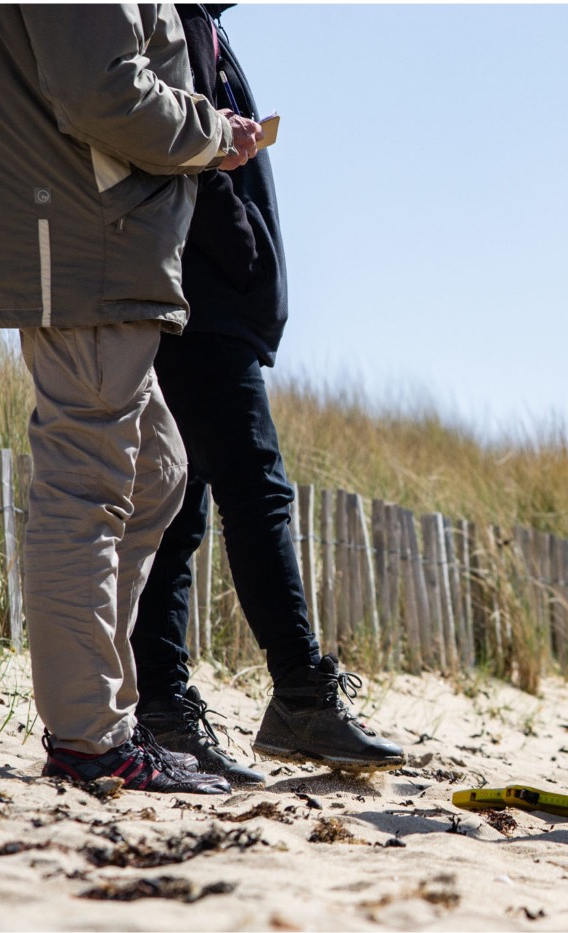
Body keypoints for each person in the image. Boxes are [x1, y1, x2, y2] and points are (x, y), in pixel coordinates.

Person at [0, 4, 261, 794]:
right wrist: (213, 135)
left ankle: (103, 716)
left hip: (89, 234)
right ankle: (90, 736)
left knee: (154, 471)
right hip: (79, 233)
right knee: (91, 479)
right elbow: (100, 91)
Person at [129, 4, 406, 786]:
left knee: (184, 506)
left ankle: (166, 707)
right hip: (199, 298)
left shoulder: (206, 27)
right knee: (254, 489)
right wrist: (239, 241)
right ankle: (296, 694)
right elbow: (168, 136)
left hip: (208, 297)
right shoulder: (172, 20)